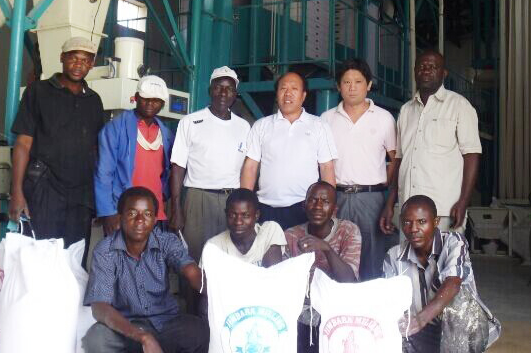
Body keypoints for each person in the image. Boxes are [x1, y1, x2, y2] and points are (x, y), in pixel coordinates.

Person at [82, 187, 209, 353]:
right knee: (96, 340)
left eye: (148, 214)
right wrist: (143, 337)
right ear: (121, 216)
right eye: (132, 213)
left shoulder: (166, 241)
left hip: (166, 325)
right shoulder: (105, 250)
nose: (140, 220)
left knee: (200, 332)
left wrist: (221, 295)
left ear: (155, 218)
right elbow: (100, 307)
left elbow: (191, 272)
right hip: (127, 329)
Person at [383, 195, 500, 353]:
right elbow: (388, 301)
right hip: (423, 333)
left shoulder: (454, 242)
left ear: (436, 222)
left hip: (469, 332)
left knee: (457, 296)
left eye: (422, 222)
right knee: (384, 324)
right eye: (407, 223)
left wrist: (420, 320)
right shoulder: (394, 256)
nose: (413, 229)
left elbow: (453, 284)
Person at [8, 36, 104, 262]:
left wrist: (100, 199)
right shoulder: (38, 92)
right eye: (73, 58)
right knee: (40, 257)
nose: (79, 64)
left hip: (81, 195)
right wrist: (17, 192)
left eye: (85, 60)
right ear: (62, 58)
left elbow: (97, 151)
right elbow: (22, 143)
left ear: (91, 64)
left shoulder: (94, 101)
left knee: (75, 259)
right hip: (44, 190)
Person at [169, 66, 250, 313]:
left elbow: (249, 168)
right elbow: (178, 167)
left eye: (229, 88)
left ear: (236, 93)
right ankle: (192, 318)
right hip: (197, 198)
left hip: (231, 203)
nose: (223, 93)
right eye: (219, 87)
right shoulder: (191, 122)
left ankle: (222, 315)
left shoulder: (244, 127)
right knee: (193, 259)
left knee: (228, 260)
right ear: (210, 90)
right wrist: (176, 207)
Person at [380, 50, 481, 234]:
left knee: (444, 261)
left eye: (433, 67)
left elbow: (472, 155)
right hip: (408, 210)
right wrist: (390, 203)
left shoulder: (459, 106)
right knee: (410, 262)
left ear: (444, 73)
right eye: (422, 67)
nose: (426, 70)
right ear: (415, 71)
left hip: (444, 209)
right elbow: (400, 160)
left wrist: (463, 201)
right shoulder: (406, 110)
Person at [321, 58, 397, 280]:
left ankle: (368, 310)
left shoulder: (384, 118)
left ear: (369, 85)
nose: (352, 87)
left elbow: (395, 159)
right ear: (338, 86)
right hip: (337, 197)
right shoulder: (326, 119)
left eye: (358, 81)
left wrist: (387, 192)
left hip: (371, 199)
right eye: (346, 82)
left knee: (371, 256)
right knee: (335, 252)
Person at [241, 71, 338, 229]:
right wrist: (245, 202)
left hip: (305, 208)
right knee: (266, 253)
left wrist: (330, 206)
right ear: (277, 94)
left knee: (303, 252)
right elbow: (250, 166)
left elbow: (327, 167)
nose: (288, 93)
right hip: (266, 207)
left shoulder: (319, 125)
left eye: (294, 89)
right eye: (283, 88)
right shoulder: (261, 125)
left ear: (303, 95)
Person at [284, 181, 361, 353]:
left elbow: (348, 281)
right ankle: (313, 351)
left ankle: (326, 352)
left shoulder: (348, 230)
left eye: (325, 202)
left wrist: (325, 248)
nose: (318, 206)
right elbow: (283, 283)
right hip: (304, 307)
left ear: (334, 208)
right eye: (313, 200)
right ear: (304, 205)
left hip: (336, 305)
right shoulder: (291, 235)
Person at [95, 76, 174, 236]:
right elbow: (103, 172)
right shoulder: (116, 128)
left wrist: (164, 197)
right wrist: (108, 212)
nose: (151, 103)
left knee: (152, 259)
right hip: (124, 210)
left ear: (163, 104)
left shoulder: (165, 133)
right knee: (120, 258)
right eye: (146, 99)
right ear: (136, 98)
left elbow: (168, 172)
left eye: (156, 100)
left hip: (154, 212)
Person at [204, 188, 285, 267]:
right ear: (226, 214)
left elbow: (272, 276)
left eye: (246, 216)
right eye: (232, 215)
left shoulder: (270, 231)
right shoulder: (214, 246)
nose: (238, 222)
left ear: (256, 215)